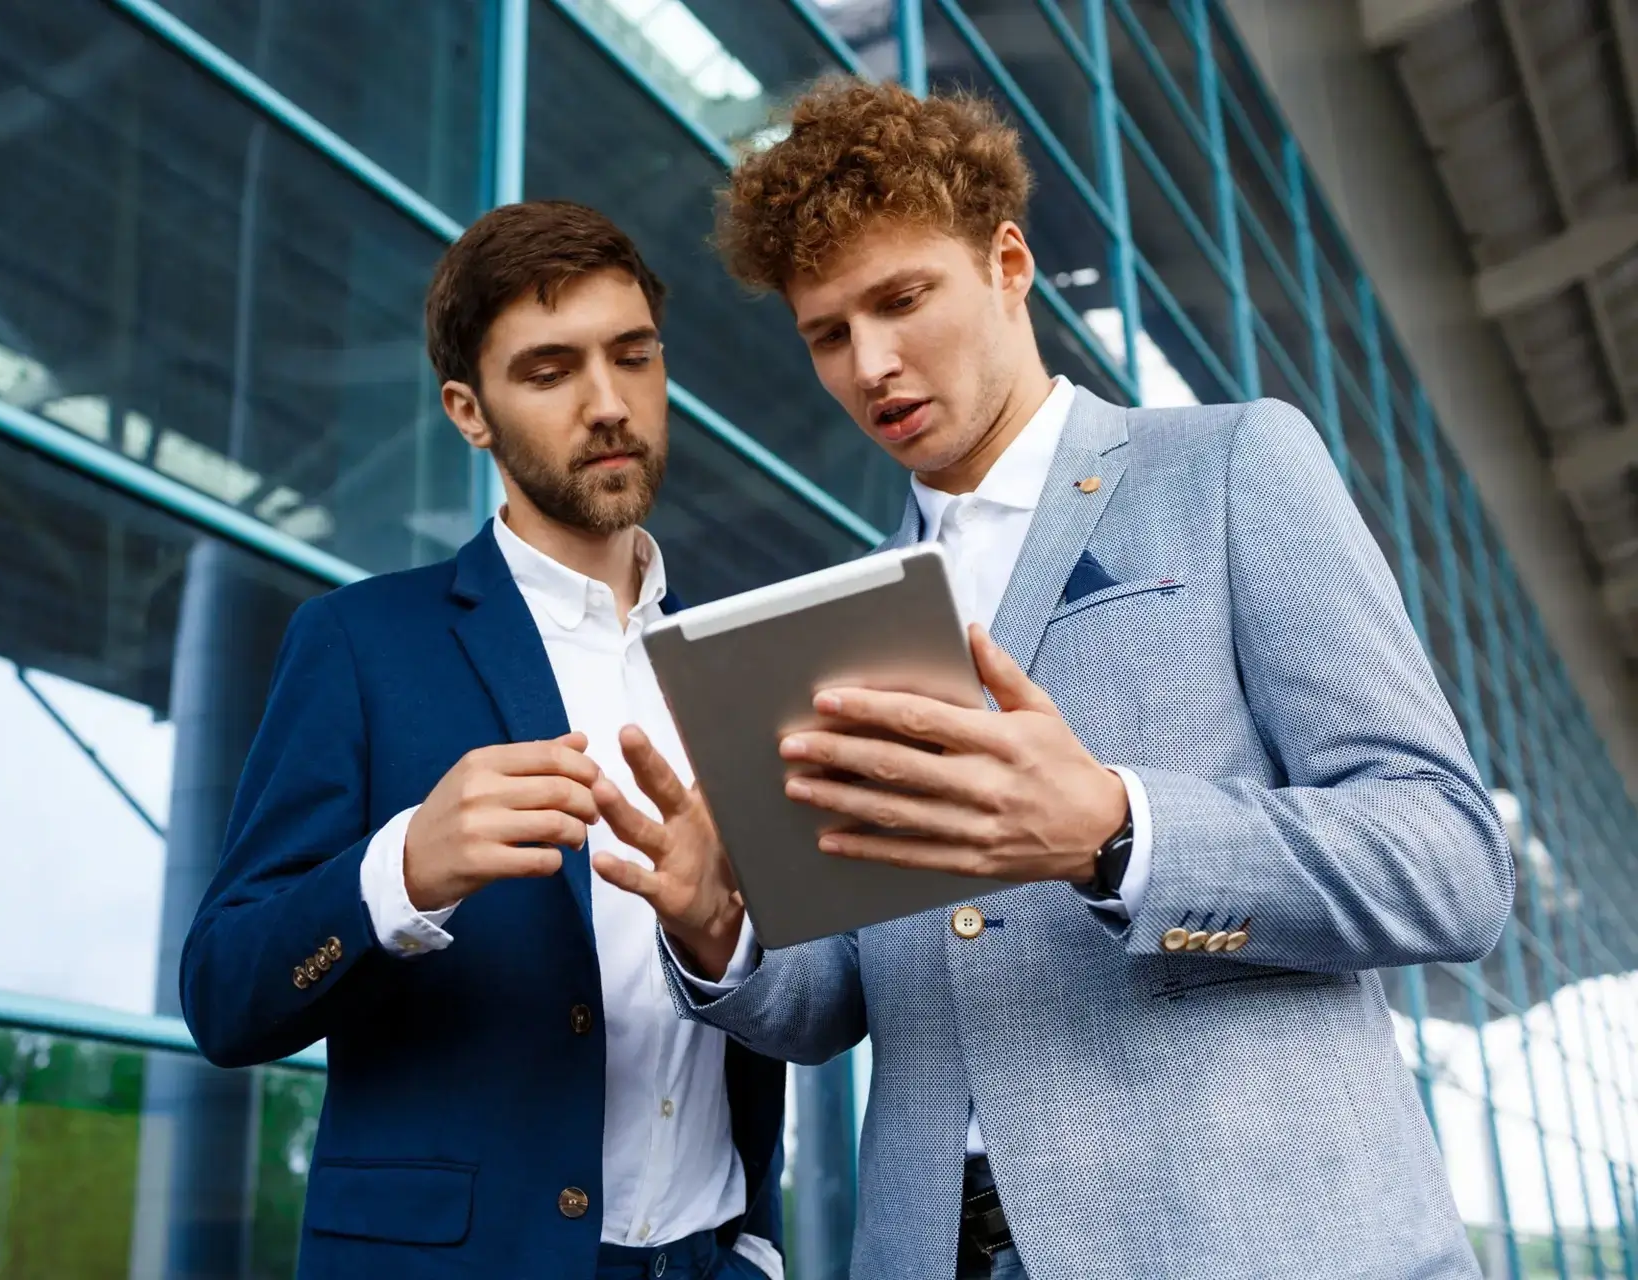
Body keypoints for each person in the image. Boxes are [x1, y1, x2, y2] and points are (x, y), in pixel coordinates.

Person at [588, 80, 1514, 1279]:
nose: (871, 364)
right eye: (827, 331)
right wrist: (724, 932)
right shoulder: (846, 619)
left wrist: (1119, 830)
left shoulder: (1231, 466)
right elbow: (847, 1000)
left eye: (902, 299)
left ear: (1009, 263)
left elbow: (1448, 861)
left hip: (1247, 1241)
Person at [180, 200, 785, 1280]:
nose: (609, 403)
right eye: (550, 371)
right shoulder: (360, 642)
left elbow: (799, 991)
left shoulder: (744, 657)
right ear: (470, 410)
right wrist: (399, 871)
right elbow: (226, 990)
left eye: (632, 356)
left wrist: (721, 938)